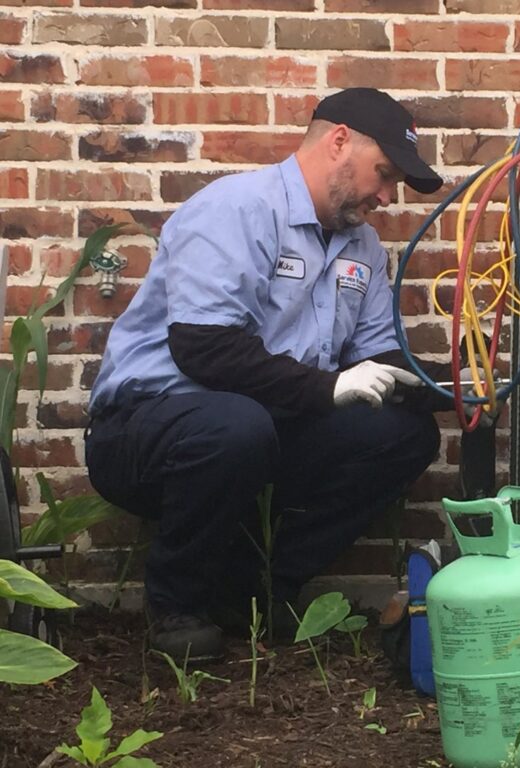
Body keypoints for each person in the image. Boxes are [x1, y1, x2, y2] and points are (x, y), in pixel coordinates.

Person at [85, 88, 459, 662]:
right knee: (236, 425)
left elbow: (377, 360)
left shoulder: (362, 246)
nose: (387, 195)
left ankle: (253, 590)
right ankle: (178, 606)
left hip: (264, 424)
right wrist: (325, 387)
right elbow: (202, 347)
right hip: (147, 427)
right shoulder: (237, 209)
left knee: (403, 435)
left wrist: (452, 381)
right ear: (338, 142)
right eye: (384, 174)